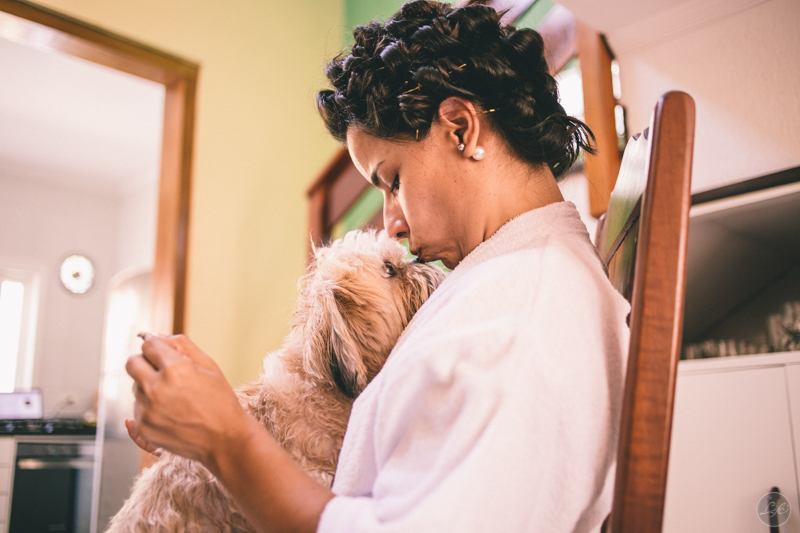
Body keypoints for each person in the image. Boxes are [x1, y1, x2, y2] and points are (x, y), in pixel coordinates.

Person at [125, 1, 631, 532]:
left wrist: (224, 438)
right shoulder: (504, 279)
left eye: (393, 180)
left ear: (461, 129)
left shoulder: (518, 318)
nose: (390, 222)